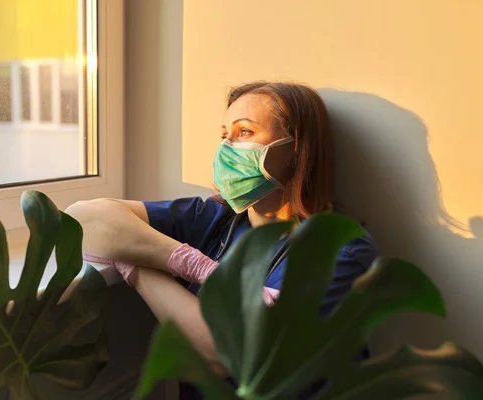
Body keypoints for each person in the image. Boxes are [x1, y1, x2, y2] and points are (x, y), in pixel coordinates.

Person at [65, 81, 378, 398]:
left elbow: (226, 355)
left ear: (296, 149)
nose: (226, 147)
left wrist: (139, 264)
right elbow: (78, 219)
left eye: (244, 132)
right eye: (224, 134)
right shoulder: (216, 219)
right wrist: (191, 264)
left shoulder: (339, 249)